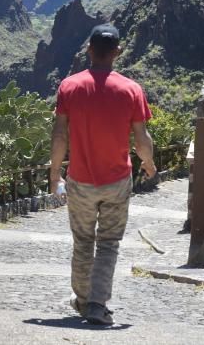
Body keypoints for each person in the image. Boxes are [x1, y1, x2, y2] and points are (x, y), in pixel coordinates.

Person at [49, 24, 156, 326]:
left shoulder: (70, 87)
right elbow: (141, 138)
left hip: (80, 180)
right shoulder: (131, 90)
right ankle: (97, 304)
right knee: (108, 243)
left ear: (89, 50)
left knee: (83, 241)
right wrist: (149, 163)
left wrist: (55, 174)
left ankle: (83, 300)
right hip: (118, 181)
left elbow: (59, 135)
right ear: (117, 52)